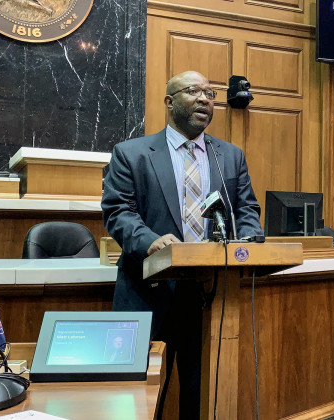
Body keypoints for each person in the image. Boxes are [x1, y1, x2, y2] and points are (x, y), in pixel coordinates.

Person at [101, 70, 263, 418]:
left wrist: (249, 237)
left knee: (201, 392)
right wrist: (150, 241)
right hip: (149, 292)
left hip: (209, 295)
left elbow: (246, 208)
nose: (205, 99)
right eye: (193, 91)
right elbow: (118, 212)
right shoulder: (133, 153)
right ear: (169, 102)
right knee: (139, 397)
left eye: (210, 93)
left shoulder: (229, 156)